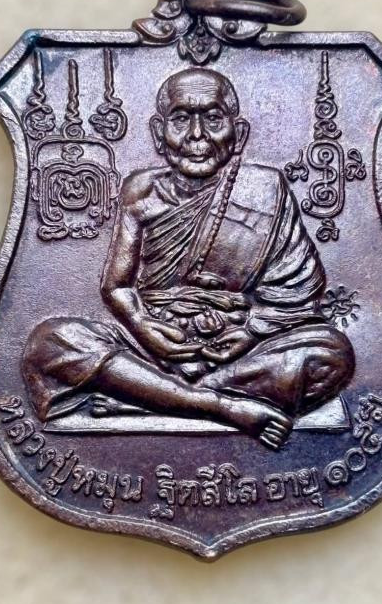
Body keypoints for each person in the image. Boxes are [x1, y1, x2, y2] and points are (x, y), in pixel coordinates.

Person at [22, 68, 354, 450]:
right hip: (150, 344)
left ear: (239, 132)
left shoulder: (266, 189)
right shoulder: (140, 190)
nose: (197, 135)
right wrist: (143, 326)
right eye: (181, 119)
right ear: (157, 133)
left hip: (235, 347)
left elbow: (297, 290)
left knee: (331, 354)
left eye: (213, 119)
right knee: (52, 341)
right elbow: (116, 286)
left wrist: (249, 332)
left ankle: (147, 397)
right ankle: (216, 404)